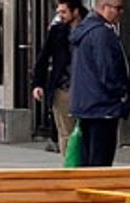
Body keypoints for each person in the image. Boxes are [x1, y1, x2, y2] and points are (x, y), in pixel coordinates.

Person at [69, 0, 130, 165]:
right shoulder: (102, 33)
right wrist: (122, 93)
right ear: (104, 7)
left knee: (90, 161)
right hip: (103, 106)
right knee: (100, 161)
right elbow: (108, 71)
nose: (121, 13)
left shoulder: (86, 30)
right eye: (118, 8)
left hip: (88, 105)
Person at [31, 0, 82, 149]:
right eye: (59, 12)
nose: (60, 16)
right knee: (66, 133)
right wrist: (38, 83)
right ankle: (70, 168)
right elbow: (43, 57)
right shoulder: (57, 31)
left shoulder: (89, 30)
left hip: (84, 89)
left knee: (84, 133)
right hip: (63, 88)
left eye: (64, 12)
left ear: (76, 11)